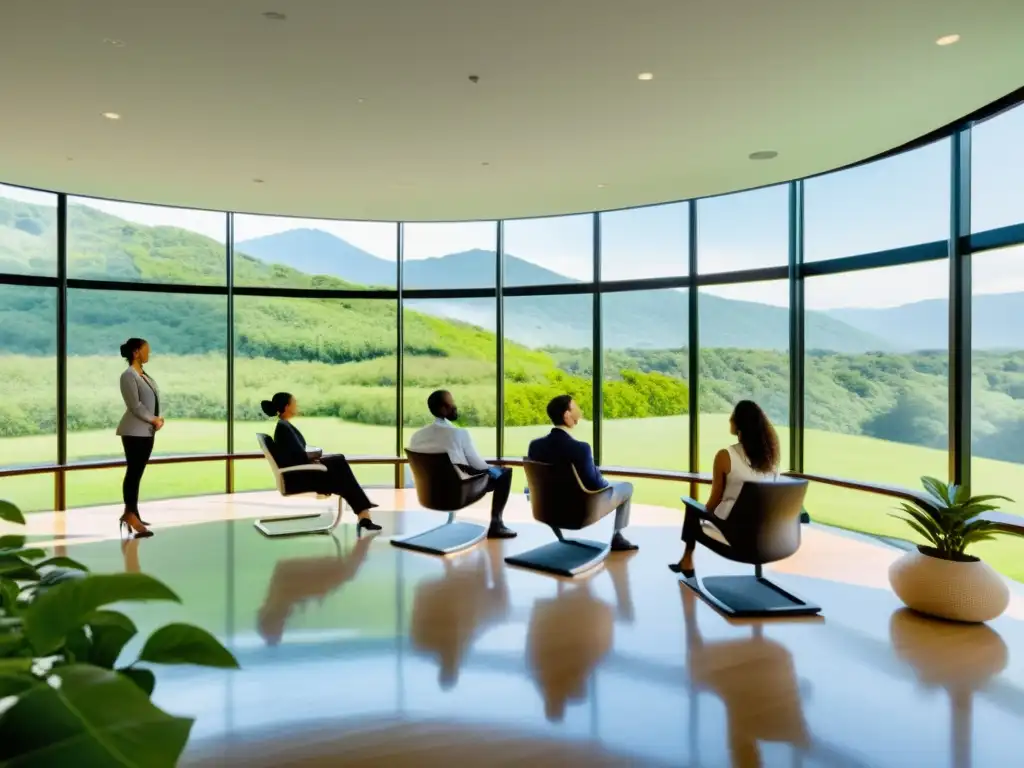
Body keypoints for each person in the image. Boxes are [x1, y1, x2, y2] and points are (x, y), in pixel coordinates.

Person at [670, 400, 780, 577]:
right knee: (696, 511)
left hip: (733, 534)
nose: (729, 419)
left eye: (733, 416)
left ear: (739, 424)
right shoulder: (771, 461)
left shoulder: (725, 456)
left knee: (692, 509)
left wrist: (702, 515)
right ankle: (686, 560)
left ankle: (687, 560)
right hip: (766, 536)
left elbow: (714, 501)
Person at [526, 395, 637, 552]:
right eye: (575, 407)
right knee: (626, 487)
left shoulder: (535, 446)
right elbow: (596, 484)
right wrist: (602, 479)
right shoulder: (580, 448)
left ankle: (561, 536)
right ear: (567, 415)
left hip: (546, 510)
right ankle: (617, 537)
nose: (580, 410)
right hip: (578, 513)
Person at [261, 392, 382, 532]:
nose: (297, 405)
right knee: (341, 469)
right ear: (287, 406)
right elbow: (297, 458)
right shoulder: (284, 429)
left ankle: (364, 514)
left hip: (301, 474)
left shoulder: (284, 426)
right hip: (300, 479)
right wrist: (316, 462)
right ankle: (363, 509)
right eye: (294, 402)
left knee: (340, 468)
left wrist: (315, 459)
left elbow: (295, 455)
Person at [407, 390, 516, 538]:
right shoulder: (458, 434)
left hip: (428, 495)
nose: (455, 406)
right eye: (451, 403)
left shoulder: (417, 436)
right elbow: (479, 466)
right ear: (442, 408)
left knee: (492, 471)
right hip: (457, 494)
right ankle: (496, 525)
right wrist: (492, 470)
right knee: (504, 473)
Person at [116, 337, 161, 538]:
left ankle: (133, 513)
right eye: (146, 350)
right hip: (134, 431)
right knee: (133, 473)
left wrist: (154, 420)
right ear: (136, 352)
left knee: (137, 473)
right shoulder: (128, 376)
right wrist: (153, 419)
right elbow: (134, 406)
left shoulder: (143, 375)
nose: (148, 354)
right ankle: (129, 515)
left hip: (145, 431)